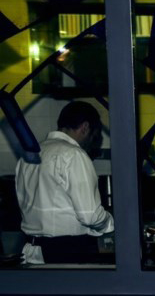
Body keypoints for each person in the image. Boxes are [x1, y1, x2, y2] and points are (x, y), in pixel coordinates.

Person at [15, 101, 113, 264]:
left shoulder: (29, 156)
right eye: (94, 135)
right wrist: (111, 223)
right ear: (85, 127)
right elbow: (90, 216)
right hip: (66, 251)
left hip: (31, 251)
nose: (92, 141)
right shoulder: (74, 154)